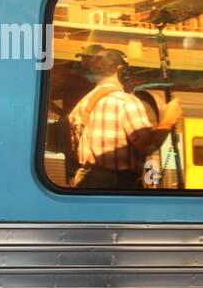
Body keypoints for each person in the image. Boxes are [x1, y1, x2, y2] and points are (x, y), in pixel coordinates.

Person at [68, 48, 182, 189]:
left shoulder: (81, 105)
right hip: (117, 187)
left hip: (86, 184)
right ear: (122, 70)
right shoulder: (126, 102)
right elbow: (147, 145)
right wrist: (169, 119)